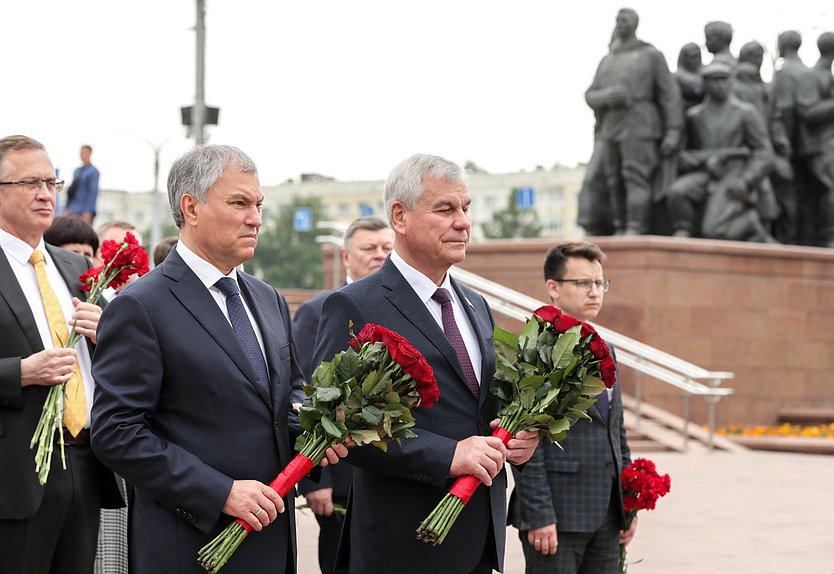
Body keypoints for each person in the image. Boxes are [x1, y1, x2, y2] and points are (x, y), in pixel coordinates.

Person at [90, 144, 347, 574]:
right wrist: (219, 492)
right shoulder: (142, 306)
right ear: (191, 208)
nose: (256, 218)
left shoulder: (268, 300)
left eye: (259, 204)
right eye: (239, 203)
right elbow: (116, 432)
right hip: (190, 546)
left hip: (270, 538)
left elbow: (283, 398)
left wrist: (316, 434)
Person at [312, 153, 539, 574]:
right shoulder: (355, 304)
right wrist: (446, 455)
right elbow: (338, 426)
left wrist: (518, 440)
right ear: (399, 216)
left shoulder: (475, 304)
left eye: (466, 208)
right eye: (446, 209)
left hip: (478, 538)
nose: (464, 222)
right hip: (402, 541)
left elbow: (479, 411)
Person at [0, 135, 124, 574]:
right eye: (29, 182)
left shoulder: (77, 269)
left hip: (85, 462)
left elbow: (122, 359)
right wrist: (19, 372)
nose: (45, 193)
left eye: (51, 181)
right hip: (15, 474)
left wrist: (106, 334)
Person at [509, 241, 633, 574]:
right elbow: (525, 439)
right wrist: (539, 515)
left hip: (607, 516)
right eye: (583, 283)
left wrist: (627, 506)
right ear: (553, 287)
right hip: (557, 518)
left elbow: (615, 432)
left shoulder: (607, 349)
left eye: (600, 283)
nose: (595, 292)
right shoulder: (538, 348)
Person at [293, 215, 393, 574]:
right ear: (346, 257)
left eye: (386, 248)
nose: (379, 255)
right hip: (340, 476)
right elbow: (305, 396)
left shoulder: (401, 308)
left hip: (394, 472)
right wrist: (314, 480)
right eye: (369, 248)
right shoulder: (318, 310)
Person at [585, 8, 682, 235]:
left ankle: (636, 226)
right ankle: (619, 226)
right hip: (611, 127)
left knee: (636, 177)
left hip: (641, 124)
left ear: (635, 23)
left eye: (624, 19)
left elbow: (669, 94)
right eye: (617, 19)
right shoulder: (607, 60)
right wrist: (606, 96)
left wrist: (674, 130)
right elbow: (590, 94)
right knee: (613, 180)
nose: (620, 23)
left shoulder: (650, 55)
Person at [667, 62, 775, 241]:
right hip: (705, 172)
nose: (720, 85)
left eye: (724, 80)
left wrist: (746, 181)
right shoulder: (695, 115)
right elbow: (685, 150)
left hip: (733, 174)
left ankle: (750, 222)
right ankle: (685, 227)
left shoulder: (745, 112)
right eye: (714, 81)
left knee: (714, 231)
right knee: (678, 192)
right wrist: (687, 160)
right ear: (705, 84)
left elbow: (764, 153)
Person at [795, 31, 834, 247]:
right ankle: (830, 239)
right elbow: (807, 112)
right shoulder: (811, 76)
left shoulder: (828, 75)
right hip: (818, 146)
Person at [63, 145, 100, 225]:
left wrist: (87, 211)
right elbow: (71, 191)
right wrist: (66, 207)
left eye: (85, 152)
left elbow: (92, 192)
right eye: (81, 152)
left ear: (90, 154)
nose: (82, 155)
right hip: (72, 210)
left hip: (83, 212)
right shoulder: (77, 171)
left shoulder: (93, 172)